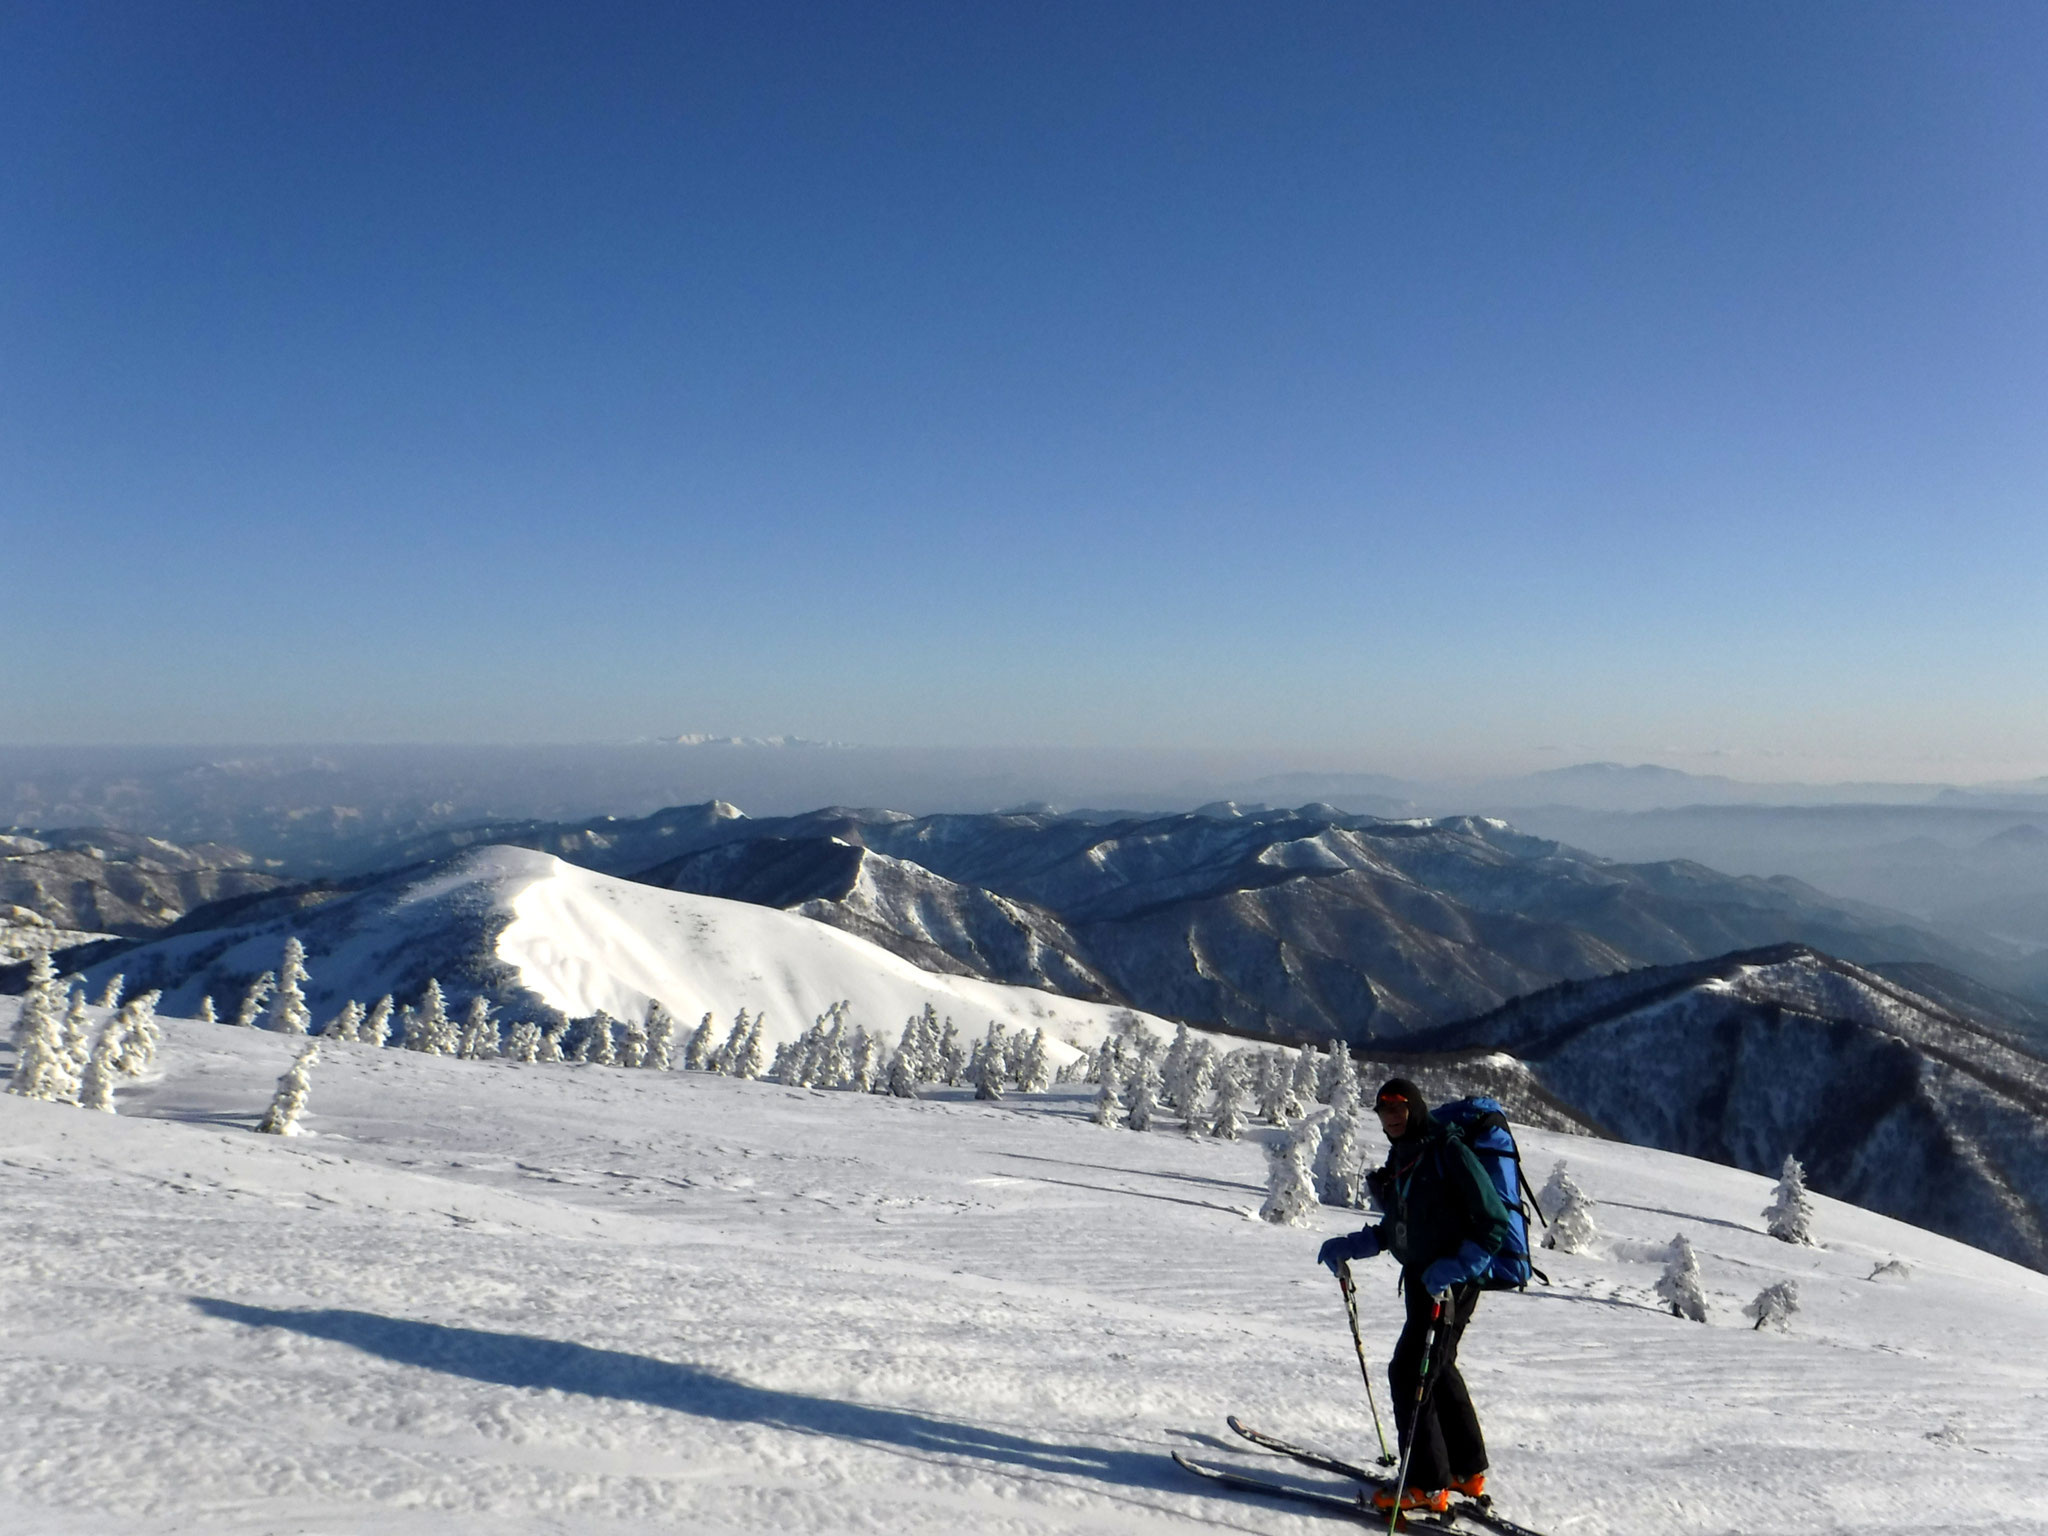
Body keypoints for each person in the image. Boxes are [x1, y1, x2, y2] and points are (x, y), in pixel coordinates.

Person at [1317, 1078, 1510, 1516]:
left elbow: (1493, 1223)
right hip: (1425, 1281)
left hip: (1450, 1285)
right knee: (1437, 1368)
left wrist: (1456, 1268)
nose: (1392, 1116)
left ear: (1416, 1107)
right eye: (1384, 1110)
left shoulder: (1448, 1151)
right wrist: (1355, 1244)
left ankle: (1425, 1483)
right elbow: (1400, 1226)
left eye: (1399, 1106)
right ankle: (1465, 1469)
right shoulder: (1405, 1155)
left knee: (1409, 1373)